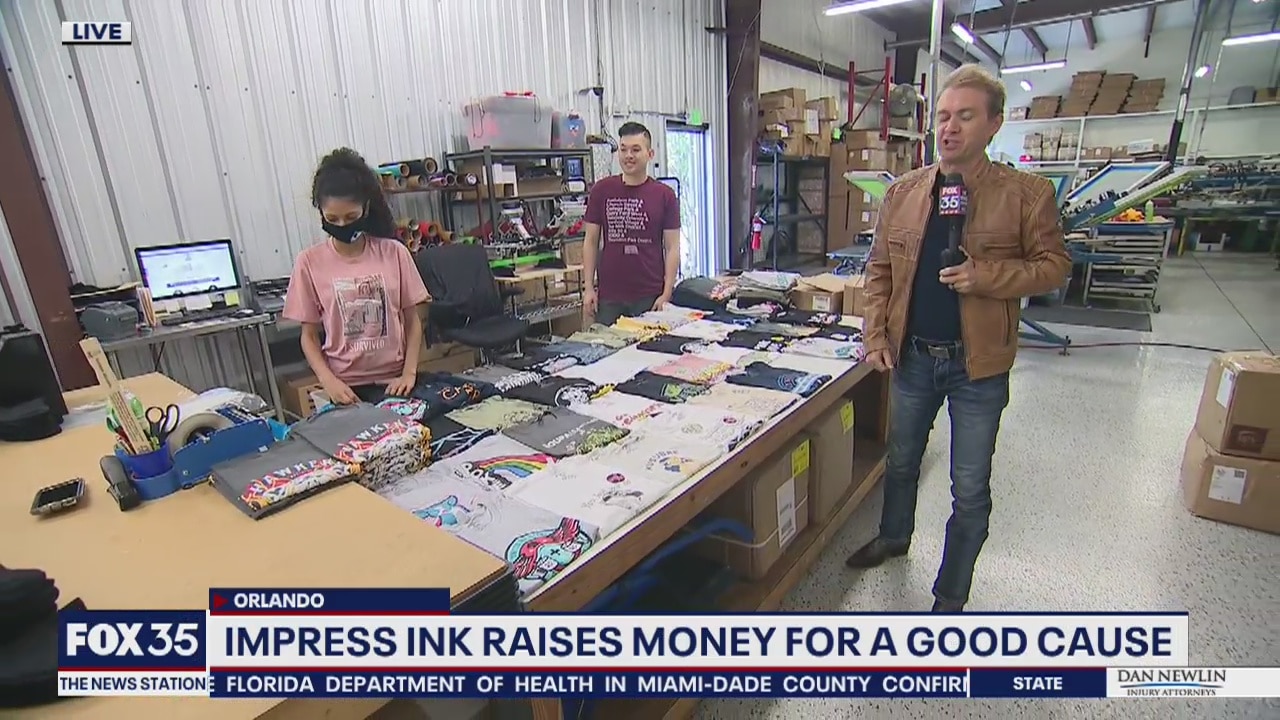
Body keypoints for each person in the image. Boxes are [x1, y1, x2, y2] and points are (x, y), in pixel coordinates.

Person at [844, 65, 1072, 611]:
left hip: (979, 367)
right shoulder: (904, 192)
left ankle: (950, 596)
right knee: (900, 462)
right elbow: (879, 270)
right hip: (913, 358)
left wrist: (984, 276)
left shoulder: (1027, 194)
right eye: (943, 116)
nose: (949, 128)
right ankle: (894, 536)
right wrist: (875, 333)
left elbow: (1054, 266)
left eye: (965, 116)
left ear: (994, 124)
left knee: (969, 489)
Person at [283, 148, 430, 406]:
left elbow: (412, 320)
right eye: (332, 218)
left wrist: (409, 372)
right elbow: (309, 336)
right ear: (321, 213)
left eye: (351, 217)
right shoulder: (309, 262)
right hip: (344, 388)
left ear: (366, 208)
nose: (342, 225)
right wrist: (329, 381)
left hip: (395, 383)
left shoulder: (394, 253)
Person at [581, 122, 681, 326]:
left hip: (650, 295)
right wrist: (589, 288)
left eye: (636, 150)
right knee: (605, 345)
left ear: (650, 154)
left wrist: (667, 292)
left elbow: (672, 247)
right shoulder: (601, 191)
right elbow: (590, 241)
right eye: (623, 149)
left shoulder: (665, 195)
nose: (628, 155)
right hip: (610, 296)